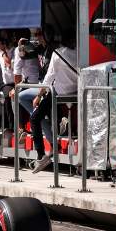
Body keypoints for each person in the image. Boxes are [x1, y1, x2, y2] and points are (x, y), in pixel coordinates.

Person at [30, 38, 78, 173]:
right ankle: (61, 120)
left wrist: (38, 96)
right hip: (75, 93)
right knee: (51, 102)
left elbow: (49, 78)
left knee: (34, 117)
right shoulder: (80, 53)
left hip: (58, 92)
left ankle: (40, 155)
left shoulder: (57, 53)